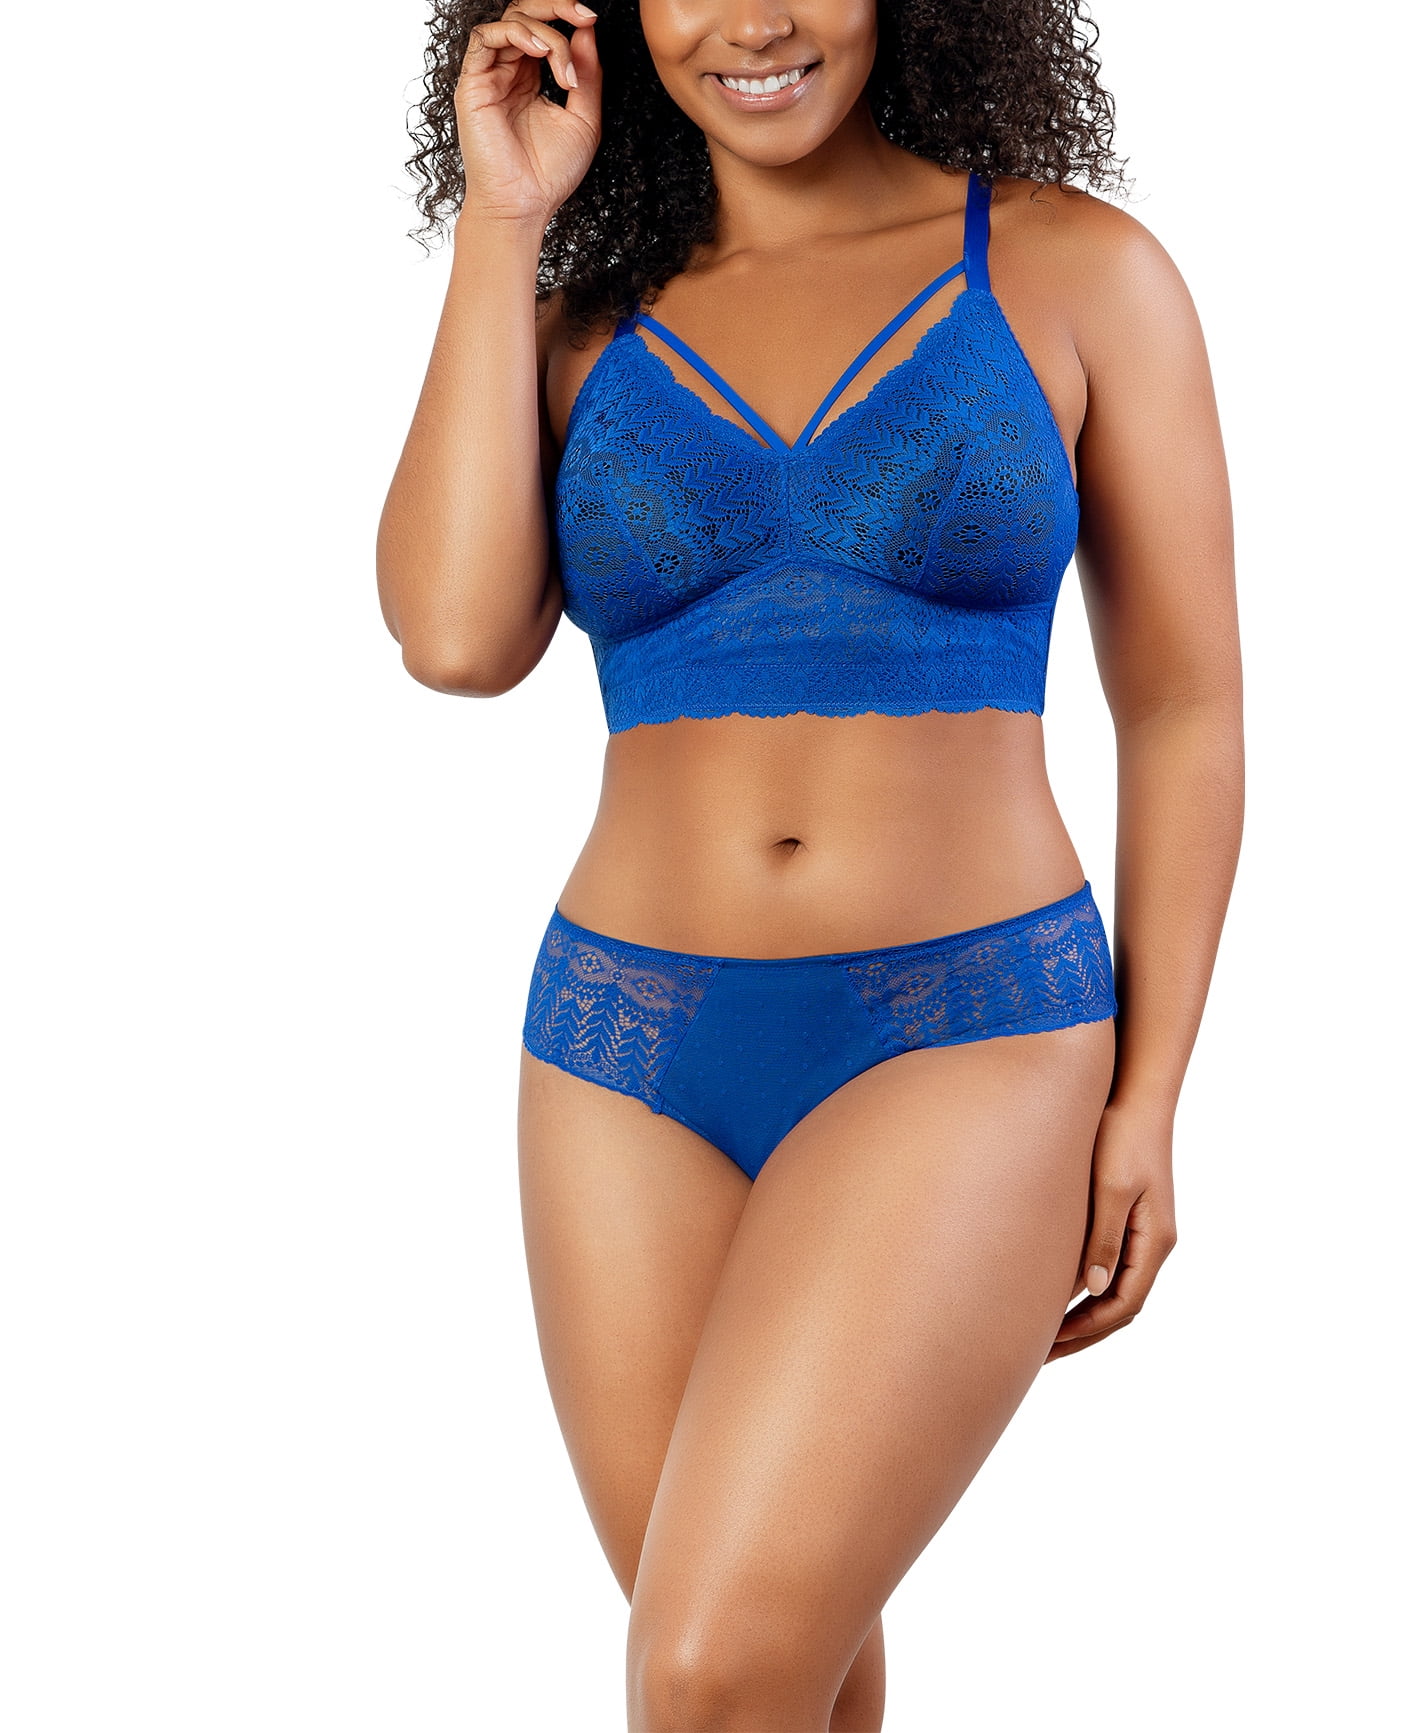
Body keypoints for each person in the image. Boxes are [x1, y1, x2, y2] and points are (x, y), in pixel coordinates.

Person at [377, 2, 1242, 1726]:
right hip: (621, 1052)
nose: (755, 20)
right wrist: (503, 220)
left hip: (970, 1028)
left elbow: (1184, 708)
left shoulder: (1078, 272)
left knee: (710, 1670)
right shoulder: (574, 322)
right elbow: (455, 638)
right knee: (790, 1681)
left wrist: (1151, 1092)